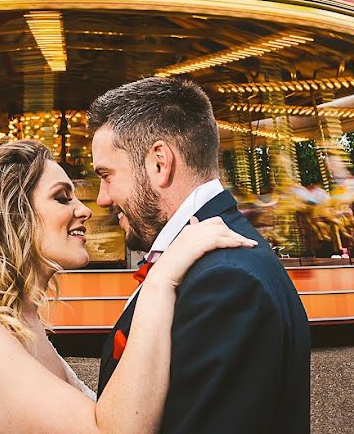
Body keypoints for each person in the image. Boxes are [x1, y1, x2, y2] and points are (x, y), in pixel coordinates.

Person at [0, 140, 257, 433]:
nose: (85, 210)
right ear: (6, 215)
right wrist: (161, 281)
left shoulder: (23, 323)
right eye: (62, 198)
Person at [89, 77, 311, 434]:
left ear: (159, 163)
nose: (101, 197)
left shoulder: (226, 282)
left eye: (107, 175)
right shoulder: (214, 263)